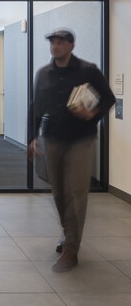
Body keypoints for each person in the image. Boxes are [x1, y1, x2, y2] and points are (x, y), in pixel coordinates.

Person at [28, 28, 115, 272]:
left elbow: (108, 98)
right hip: (53, 139)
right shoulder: (43, 74)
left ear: (71, 46)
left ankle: (71, 251)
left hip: (81, 140)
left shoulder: (88, 70)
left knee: (76, 193)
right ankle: (68, 234)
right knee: (59, 193)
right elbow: (35, 107)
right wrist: (32, 138)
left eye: (60, 42)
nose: (55, 46)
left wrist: (92, 114)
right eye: (53, 42)